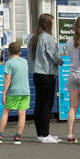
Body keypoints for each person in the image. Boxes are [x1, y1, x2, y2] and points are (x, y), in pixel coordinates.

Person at [28, 14, 62, 143]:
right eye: (52, 22)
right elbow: (53, 56)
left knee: (39, 104)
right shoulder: (48, 38)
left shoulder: (33, 38)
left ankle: (41, 134)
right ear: (47, 24)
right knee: (47, 104)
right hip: (47, 73)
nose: (53, 24)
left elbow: (32, 57)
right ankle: (46, 135)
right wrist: (61, 61)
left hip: (36, 74)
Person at [0, 41, 31, 144]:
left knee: (6, 111)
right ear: (20, 52)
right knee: (22, 113)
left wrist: (3, 93)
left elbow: (7, 80)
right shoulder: (25, 62)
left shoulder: (9, 63)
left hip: (14, 92)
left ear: (8, 52)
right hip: (25, 91)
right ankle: (18, 137)